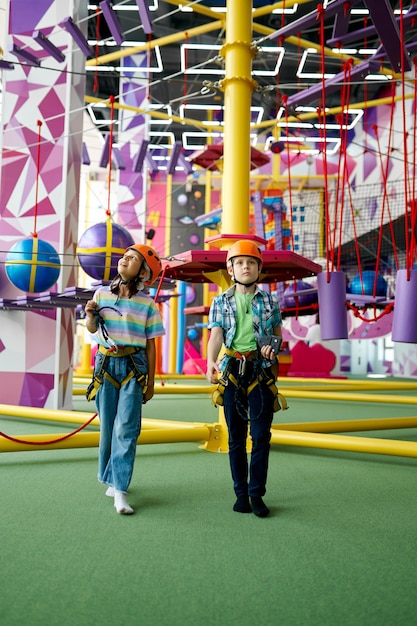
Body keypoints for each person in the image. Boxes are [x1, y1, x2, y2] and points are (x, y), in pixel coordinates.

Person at [84, 244, 165, 515]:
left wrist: (150, 382)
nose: (124, 259)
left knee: (126, 428)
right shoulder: (101, 294)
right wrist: (89, 316)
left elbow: (151, 345)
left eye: (132, 259)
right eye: (124, 256)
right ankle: (109, 477)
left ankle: (120, 489)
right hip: (106, 364)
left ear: (143, 272)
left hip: (134, 367)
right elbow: (93, 329)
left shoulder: (147, 304)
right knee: (108, 426)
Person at [206, 240, 284, 518]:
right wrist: (209, 362)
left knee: (261, 436)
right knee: (236, 438)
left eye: (251, 262)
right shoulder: (220, 301)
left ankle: (256, 494)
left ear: (259, 268)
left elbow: (278, 335)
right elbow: (216, 335)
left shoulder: (271, 301)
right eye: (239, 262)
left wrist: (272, 348)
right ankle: (241, 493)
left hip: (260, 372)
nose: (246, 266)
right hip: (231, 373)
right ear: (231, 269)